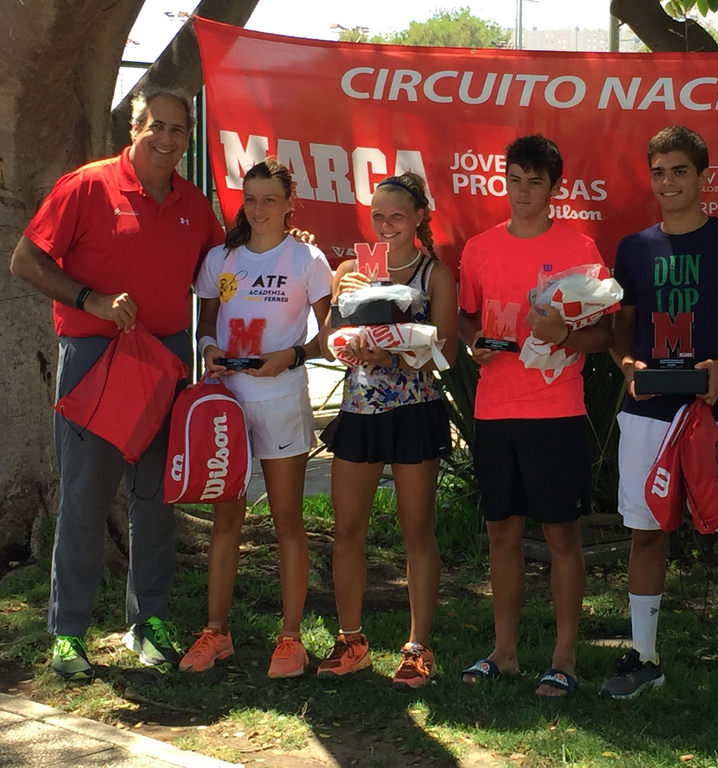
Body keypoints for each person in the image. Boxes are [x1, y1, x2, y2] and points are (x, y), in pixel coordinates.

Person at [9, 88, 225, 680]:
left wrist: (294, 252)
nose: (169, 138)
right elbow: (25, 261)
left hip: (167, 363)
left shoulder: (192, 203)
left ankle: (147, 621)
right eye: (158, 125)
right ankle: (69, 633)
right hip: (96, 359)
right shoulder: (87, 185)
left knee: (155, 499)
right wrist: (92, 300)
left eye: (180, 130)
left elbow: (223, 273)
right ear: (133, 128)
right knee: (83, 500)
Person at [600, 126, 718, 706]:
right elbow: (619, 332)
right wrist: (626, 364)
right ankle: (644, 655)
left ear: (703, 177)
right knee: (646, 534)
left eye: (680, 170)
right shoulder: (634, 248)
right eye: (659, 172)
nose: (668, 182)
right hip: (649, 413)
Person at [457, 134, 613, 698]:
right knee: (502, 533)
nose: (523, 192)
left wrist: (566, 333)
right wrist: (474, 342)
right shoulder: (478, 248)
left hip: (556, 411)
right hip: (494, 410)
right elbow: (467, 318)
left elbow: (607, 331)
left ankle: (564, 660)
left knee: (561, 536)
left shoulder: (581, 247)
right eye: (515, 180)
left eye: (535, 183)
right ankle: (505, 651)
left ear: (554, 188)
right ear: (504, 179)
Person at [177, 158, 332, 678]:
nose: (259, 209)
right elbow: (206, 315)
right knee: (227, 520)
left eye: (271, 199)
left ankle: (291, 639)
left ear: (290, 204)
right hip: (227, 403)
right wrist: (208, 346)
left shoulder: (307, 258)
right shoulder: (222, 256)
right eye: (251, 199)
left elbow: (328, 335)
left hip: (283, 401)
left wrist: (292, 355)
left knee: (288, 521)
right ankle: (215, 632)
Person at [315, 172, 457, 690]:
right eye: (378, 216)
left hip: (413, 410)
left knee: (416, 530)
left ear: (419, 216)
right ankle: (350, 641)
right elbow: (330, 338)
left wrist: (393, 352)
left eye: (397, 215)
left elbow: (448, 352)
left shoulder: (434, 274)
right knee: (347, 530)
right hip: (359, 411)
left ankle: (419, 649)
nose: (386, 225)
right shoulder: (352, 269)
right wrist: (343, 315)